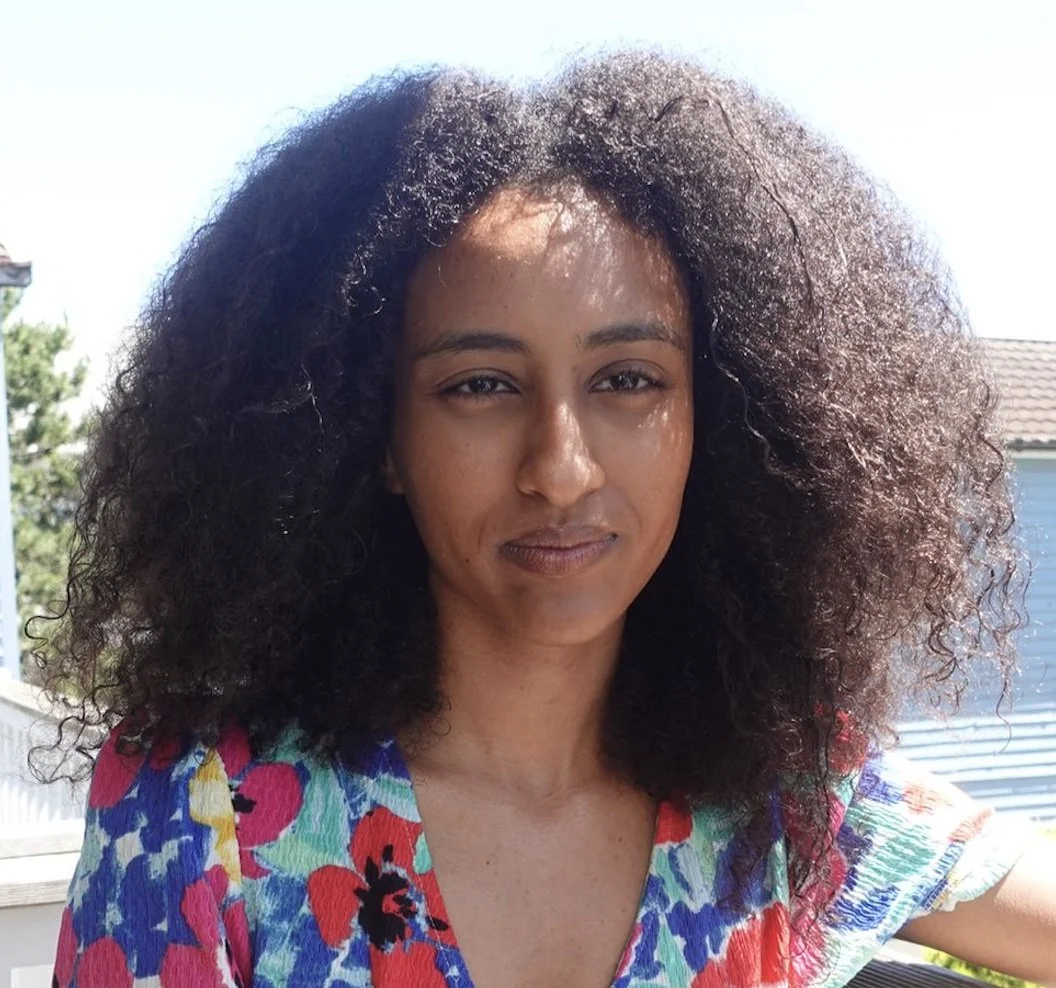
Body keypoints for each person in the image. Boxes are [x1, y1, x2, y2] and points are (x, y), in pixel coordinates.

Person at [38, 51, 1056, 987]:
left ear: (725, 419)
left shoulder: (781, 798)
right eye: (480, 384)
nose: (561, 469)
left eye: (627, 378)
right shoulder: (201, 810)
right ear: (373, 433)